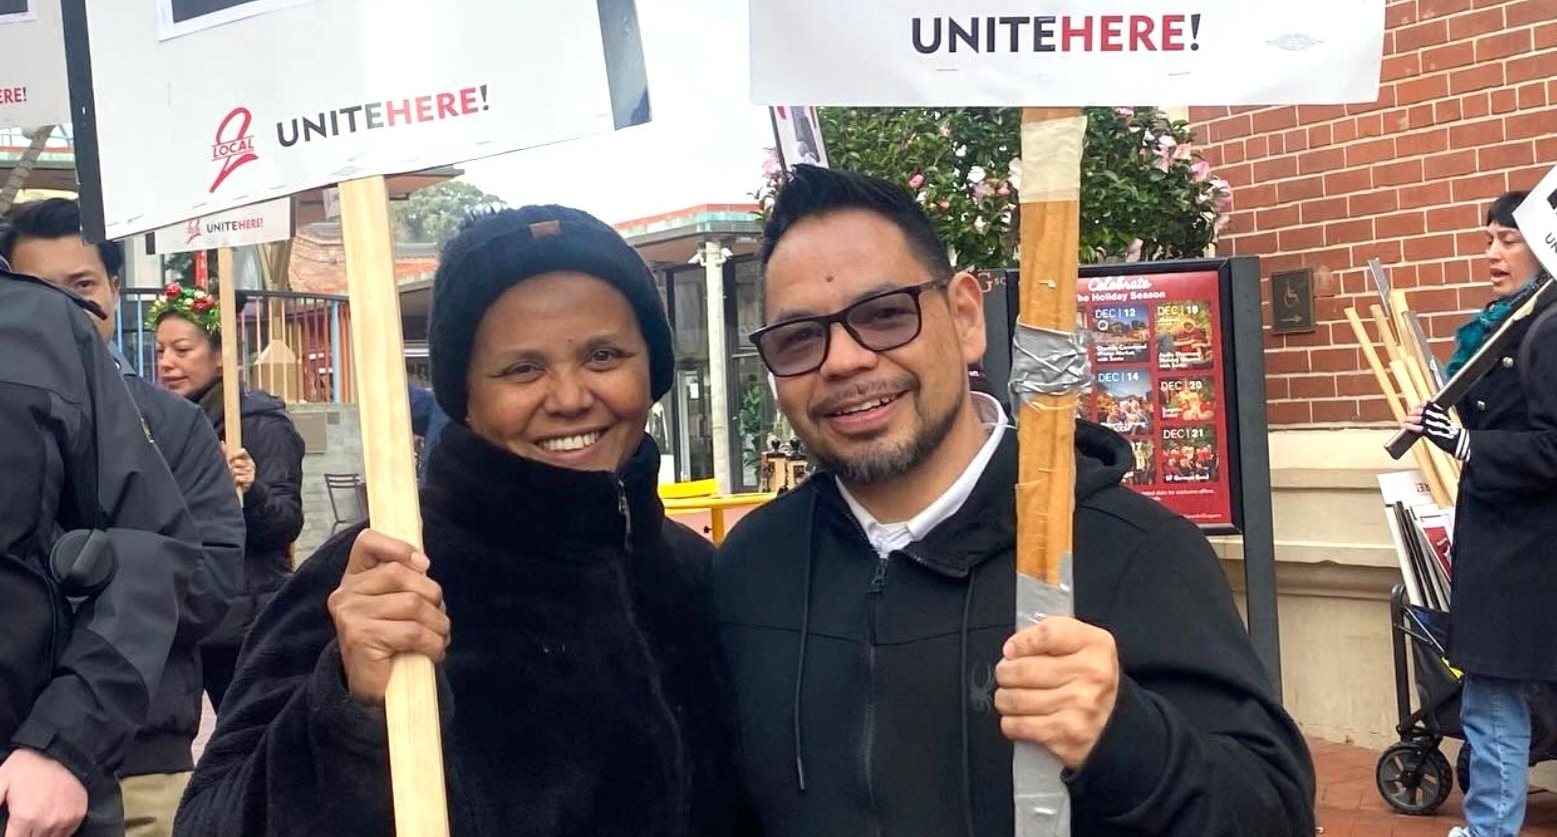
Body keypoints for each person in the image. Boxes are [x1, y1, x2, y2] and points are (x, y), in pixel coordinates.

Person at [713, 165, 1315, 837]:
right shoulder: (752, 569)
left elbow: (1269, 814)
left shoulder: (1126, 551)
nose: (844, 360)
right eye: (799, 338)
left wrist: (1125, 738)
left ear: (965, 317)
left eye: (884, 315)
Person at [174, 206, 746, 836]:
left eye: (604, 355)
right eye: (523, 369)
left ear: (653, 369)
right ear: (465, 395)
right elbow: (211, 823)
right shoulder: (377, 580)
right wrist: (345, 708)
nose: (570, 397)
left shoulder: (701, 577)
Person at [1, 200, 246, 837]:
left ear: (114, 286)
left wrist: (64, 585)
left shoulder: (174, 425)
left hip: (122, 760)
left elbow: (202, 576)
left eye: (81, 285)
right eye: (44, 286)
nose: (67, 305)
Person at [1402, 191, 1556, 837]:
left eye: (1506, 239)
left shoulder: (1548, 327)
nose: (1490, 254)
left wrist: (1466, 443)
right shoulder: (1519, 319)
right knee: (1494, 699)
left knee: (1493, 701)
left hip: (1524, 552)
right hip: (1510, 547)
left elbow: (1551, 446)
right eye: (1487, 239)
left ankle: (1489, 831)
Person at [151, 284, 305, 711]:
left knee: (244, 737)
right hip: (179, 612)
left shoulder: (258, 423)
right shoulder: (161, 424)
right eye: (160, 350)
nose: (167, 363)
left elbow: (285, 523)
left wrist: (248, 488)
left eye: (182, 350)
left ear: (221, 355)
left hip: (242, 621)